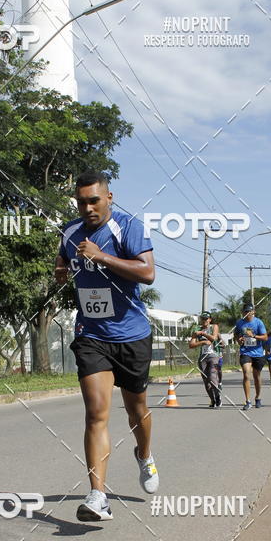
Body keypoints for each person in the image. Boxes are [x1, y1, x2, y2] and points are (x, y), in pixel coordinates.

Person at [55, 170, 158, 522]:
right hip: (91, 334)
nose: (87, 208)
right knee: (96, 413)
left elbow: (147, 272)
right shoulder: (70, 232)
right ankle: (98, 496)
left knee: (136, 410)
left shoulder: (128, 228)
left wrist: (102, 257)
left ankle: (144, 454)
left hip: (131, 335)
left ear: (109, 198)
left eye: (94, 201)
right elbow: (63, 256)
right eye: (81, 202)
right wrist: (61, 268)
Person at [234, 303, 268, 410]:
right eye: (245, 311)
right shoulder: (240, 323)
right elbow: (236, 335)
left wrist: (253, 336)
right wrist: (239, 340)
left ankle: (258, 397)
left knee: (256, 376)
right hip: (245, 352)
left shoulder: (258, 322)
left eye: (249, 311)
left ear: (253, 312)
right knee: (246, 374)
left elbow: (265, 337)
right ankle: (248, 401)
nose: (247, 313)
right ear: (243, 312)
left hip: (258, 353)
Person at [188, 311, 221, 407]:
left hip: (213, 355)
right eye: (202, 319)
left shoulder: (214, 327)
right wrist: (202, 342)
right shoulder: (197, 329)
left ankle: (217, 396)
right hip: (203, 357)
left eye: (206, 319)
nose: (204, 321)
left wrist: (203, 334)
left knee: (212, 377)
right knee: (206, 381)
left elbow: (214, 339)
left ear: (210, 319)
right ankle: (212, 400)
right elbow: (191, 344)